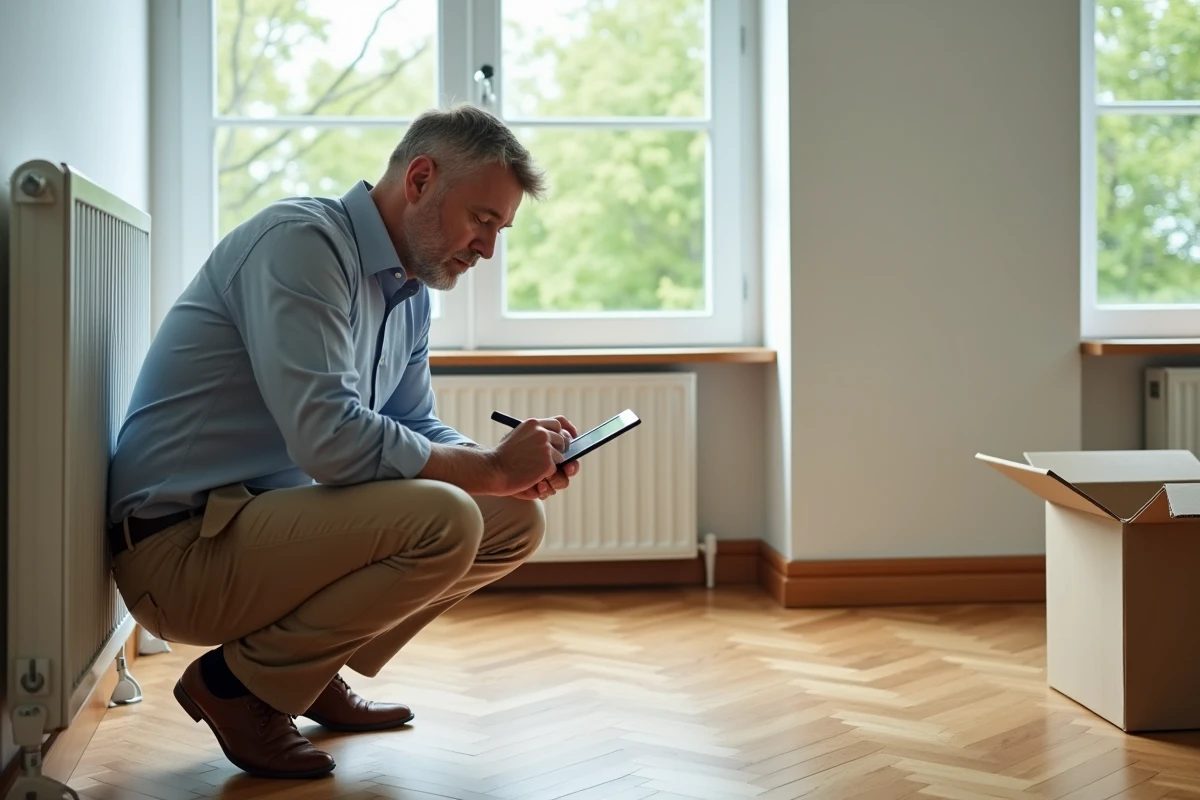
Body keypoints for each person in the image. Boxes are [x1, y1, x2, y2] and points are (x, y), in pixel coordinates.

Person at [106, 105, 579, 780]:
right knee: (447, 517)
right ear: (420, 179)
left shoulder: (409, 291)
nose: (487, 249)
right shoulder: (302, 244)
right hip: (179, 551)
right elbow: (330, 443)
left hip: (255, 529)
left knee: (513, 519)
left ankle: (303, 667)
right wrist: (492, 468)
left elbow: (416, 425)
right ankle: (238, 687)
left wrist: (508, 469)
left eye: (499, 230)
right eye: (481, 219)